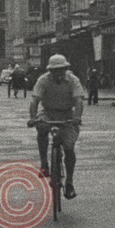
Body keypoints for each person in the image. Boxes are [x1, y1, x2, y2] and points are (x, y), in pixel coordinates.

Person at [27, 54, 84, 199]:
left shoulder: (73, 80)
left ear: (65, 69)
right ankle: (44, 163)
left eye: (61, 70)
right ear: (50, 71)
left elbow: (79, 101)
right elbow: (34, 101)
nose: (58, 73)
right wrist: (33, 119)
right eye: (55, 70)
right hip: (48, 113)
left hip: (67, 115)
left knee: (69, 148)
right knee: (41, 128)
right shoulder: (43, 80)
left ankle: (69, 182)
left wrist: (77, 118)